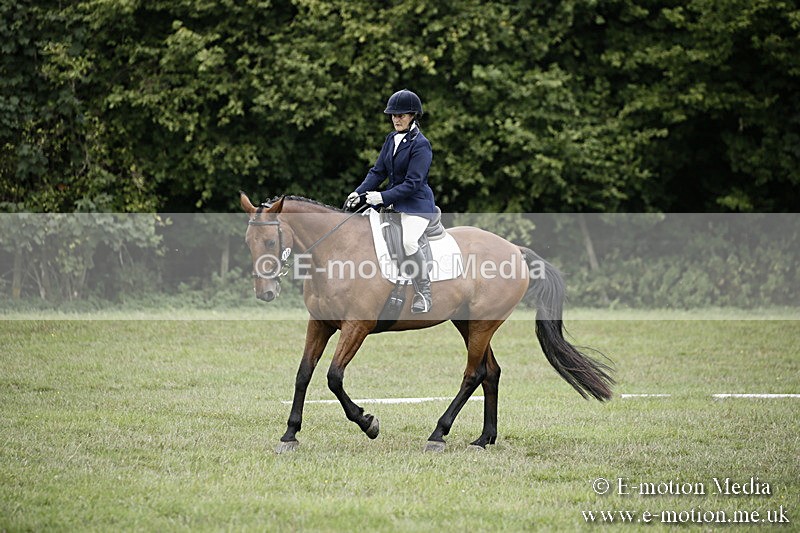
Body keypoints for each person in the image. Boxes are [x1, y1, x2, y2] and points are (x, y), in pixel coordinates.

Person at [345, 89, 436, 314]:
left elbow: (413, 183)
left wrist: (383, 197)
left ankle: (424, 292)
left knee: (409, 242)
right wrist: (358, 192)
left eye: (401, 115)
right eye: (393, 115)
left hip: (416, 206)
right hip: (393, 204)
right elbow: (378, 172)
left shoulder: (421, 144)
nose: (396, 119)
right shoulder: (390, 139)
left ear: (412, 116)